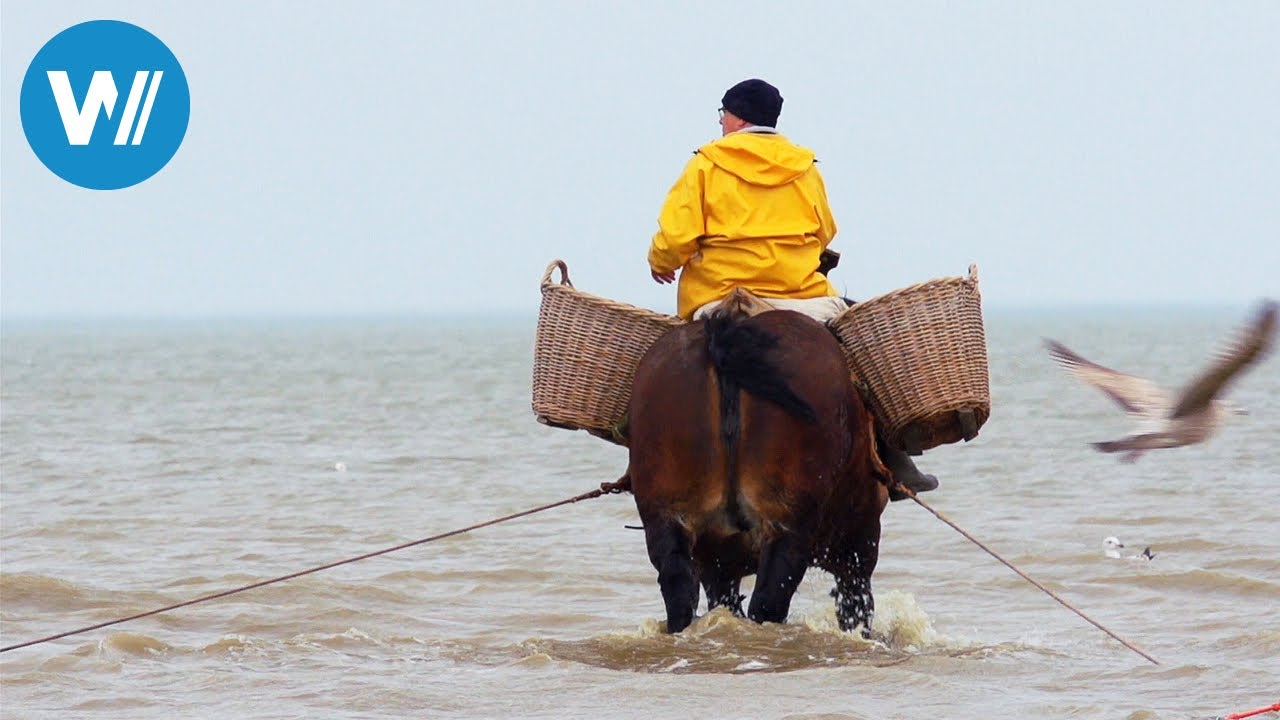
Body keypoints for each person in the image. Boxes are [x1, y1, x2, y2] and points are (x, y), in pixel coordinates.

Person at [647, 78, 938, 498]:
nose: (721, 123)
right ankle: (893, 457)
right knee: (860, 355)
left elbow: (675, 238)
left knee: (661, 373)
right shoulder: (804, 166)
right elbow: (825, 231)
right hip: (803, 301)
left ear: (737, 116)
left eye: (722, 115)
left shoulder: (706, 164)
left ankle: (641, 457)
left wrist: (661, 262)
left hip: (721, 301)